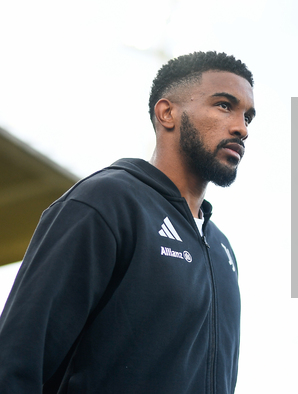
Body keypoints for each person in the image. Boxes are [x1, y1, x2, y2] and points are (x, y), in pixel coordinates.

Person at [0, 51, 255, 393]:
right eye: (224, 105)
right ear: (167, 113)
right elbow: (14, 364)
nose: (242, 128)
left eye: (248, 117)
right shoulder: (104, 203)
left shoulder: (222, 249)